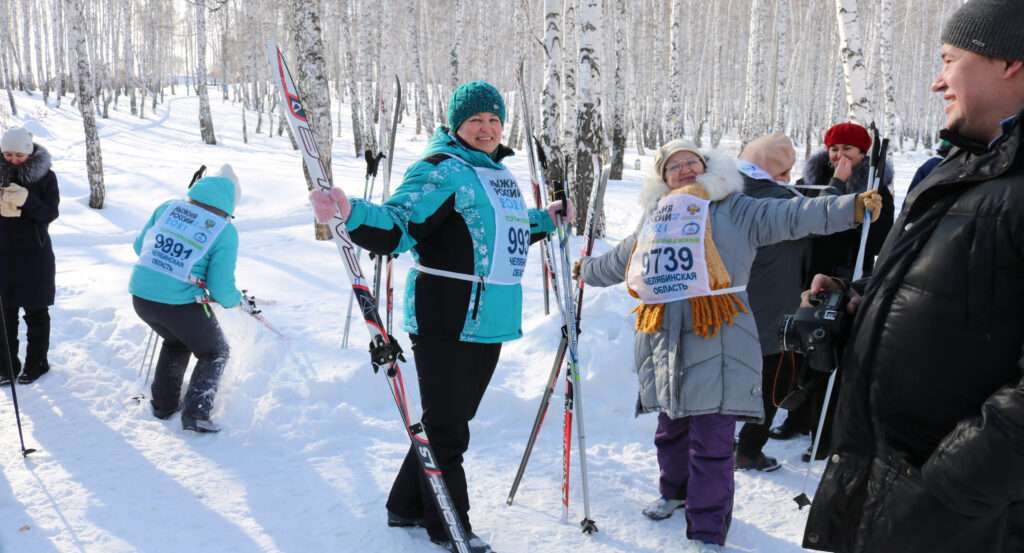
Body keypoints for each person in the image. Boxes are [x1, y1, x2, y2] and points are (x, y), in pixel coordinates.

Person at [575, 139, 880, 552]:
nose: (684, 169)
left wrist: (850, 206)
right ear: (662, 177)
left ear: (707, 167)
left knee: (713, 441)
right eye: (674, 165)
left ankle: (707, 529)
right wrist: (584, 270)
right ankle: (675, 491)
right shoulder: (656, 218)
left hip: (718, 334)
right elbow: (622, 261)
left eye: (691, 162)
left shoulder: (735, 209)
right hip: (665, 340)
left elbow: (793, 214)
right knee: (670, 430)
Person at [309, 80, 570, 553]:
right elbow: (400, 224)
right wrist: (350, 212)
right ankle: (450, 526)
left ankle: (405, 503)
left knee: (449, 418)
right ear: (456, 124)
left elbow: (506, 230)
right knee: (450, 427)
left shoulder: (497, 174)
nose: (486, 128)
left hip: (491, 317)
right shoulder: (441, 169)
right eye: (476, 120)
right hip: (446, 314)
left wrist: (546, 219)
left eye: (494, 120)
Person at [802, 1, 1024, 551]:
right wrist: (863, 304)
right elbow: (967, 299)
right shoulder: (965, 168)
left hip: (963, 519)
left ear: (1011, 62)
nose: (937, 81)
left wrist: (942, 488)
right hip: (895, 498)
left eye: (950, 60)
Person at [129, 164, 245, 433]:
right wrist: (232, 301)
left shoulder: (168, 207)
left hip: (141, 296)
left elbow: (139, 246)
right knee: (215, 352)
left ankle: (164, 405)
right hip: (178, 304)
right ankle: (196, 414)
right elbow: (220, 286)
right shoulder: (224, 231)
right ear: (230, 205)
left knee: (176, 340)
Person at [733, 133, 807, 472]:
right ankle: (749, 449)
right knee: (773, 382)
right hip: (775, 309)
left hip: (732, 305)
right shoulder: (782, 202)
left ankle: (718, 445)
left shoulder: (725, 195)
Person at [0, 127, 59, 385]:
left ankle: (37, 363)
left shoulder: (46, 177)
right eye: (8, 154)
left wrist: (26, 200)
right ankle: (6, 366)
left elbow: (49, 213)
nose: (13, 159)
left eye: (19, 155)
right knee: (4, 314)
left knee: (36, 312)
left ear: (30, 152)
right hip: (2, 255)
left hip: (34, 256)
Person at [801, 121, 895, 280]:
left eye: (847, 148)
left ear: (862, 153)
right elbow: (806, 223)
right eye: (834, 149)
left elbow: (880, 241)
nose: (839, 154)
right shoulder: (812, 182)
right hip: (809, 271)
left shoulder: (875, 187)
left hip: (851, 274)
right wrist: (837, 182)